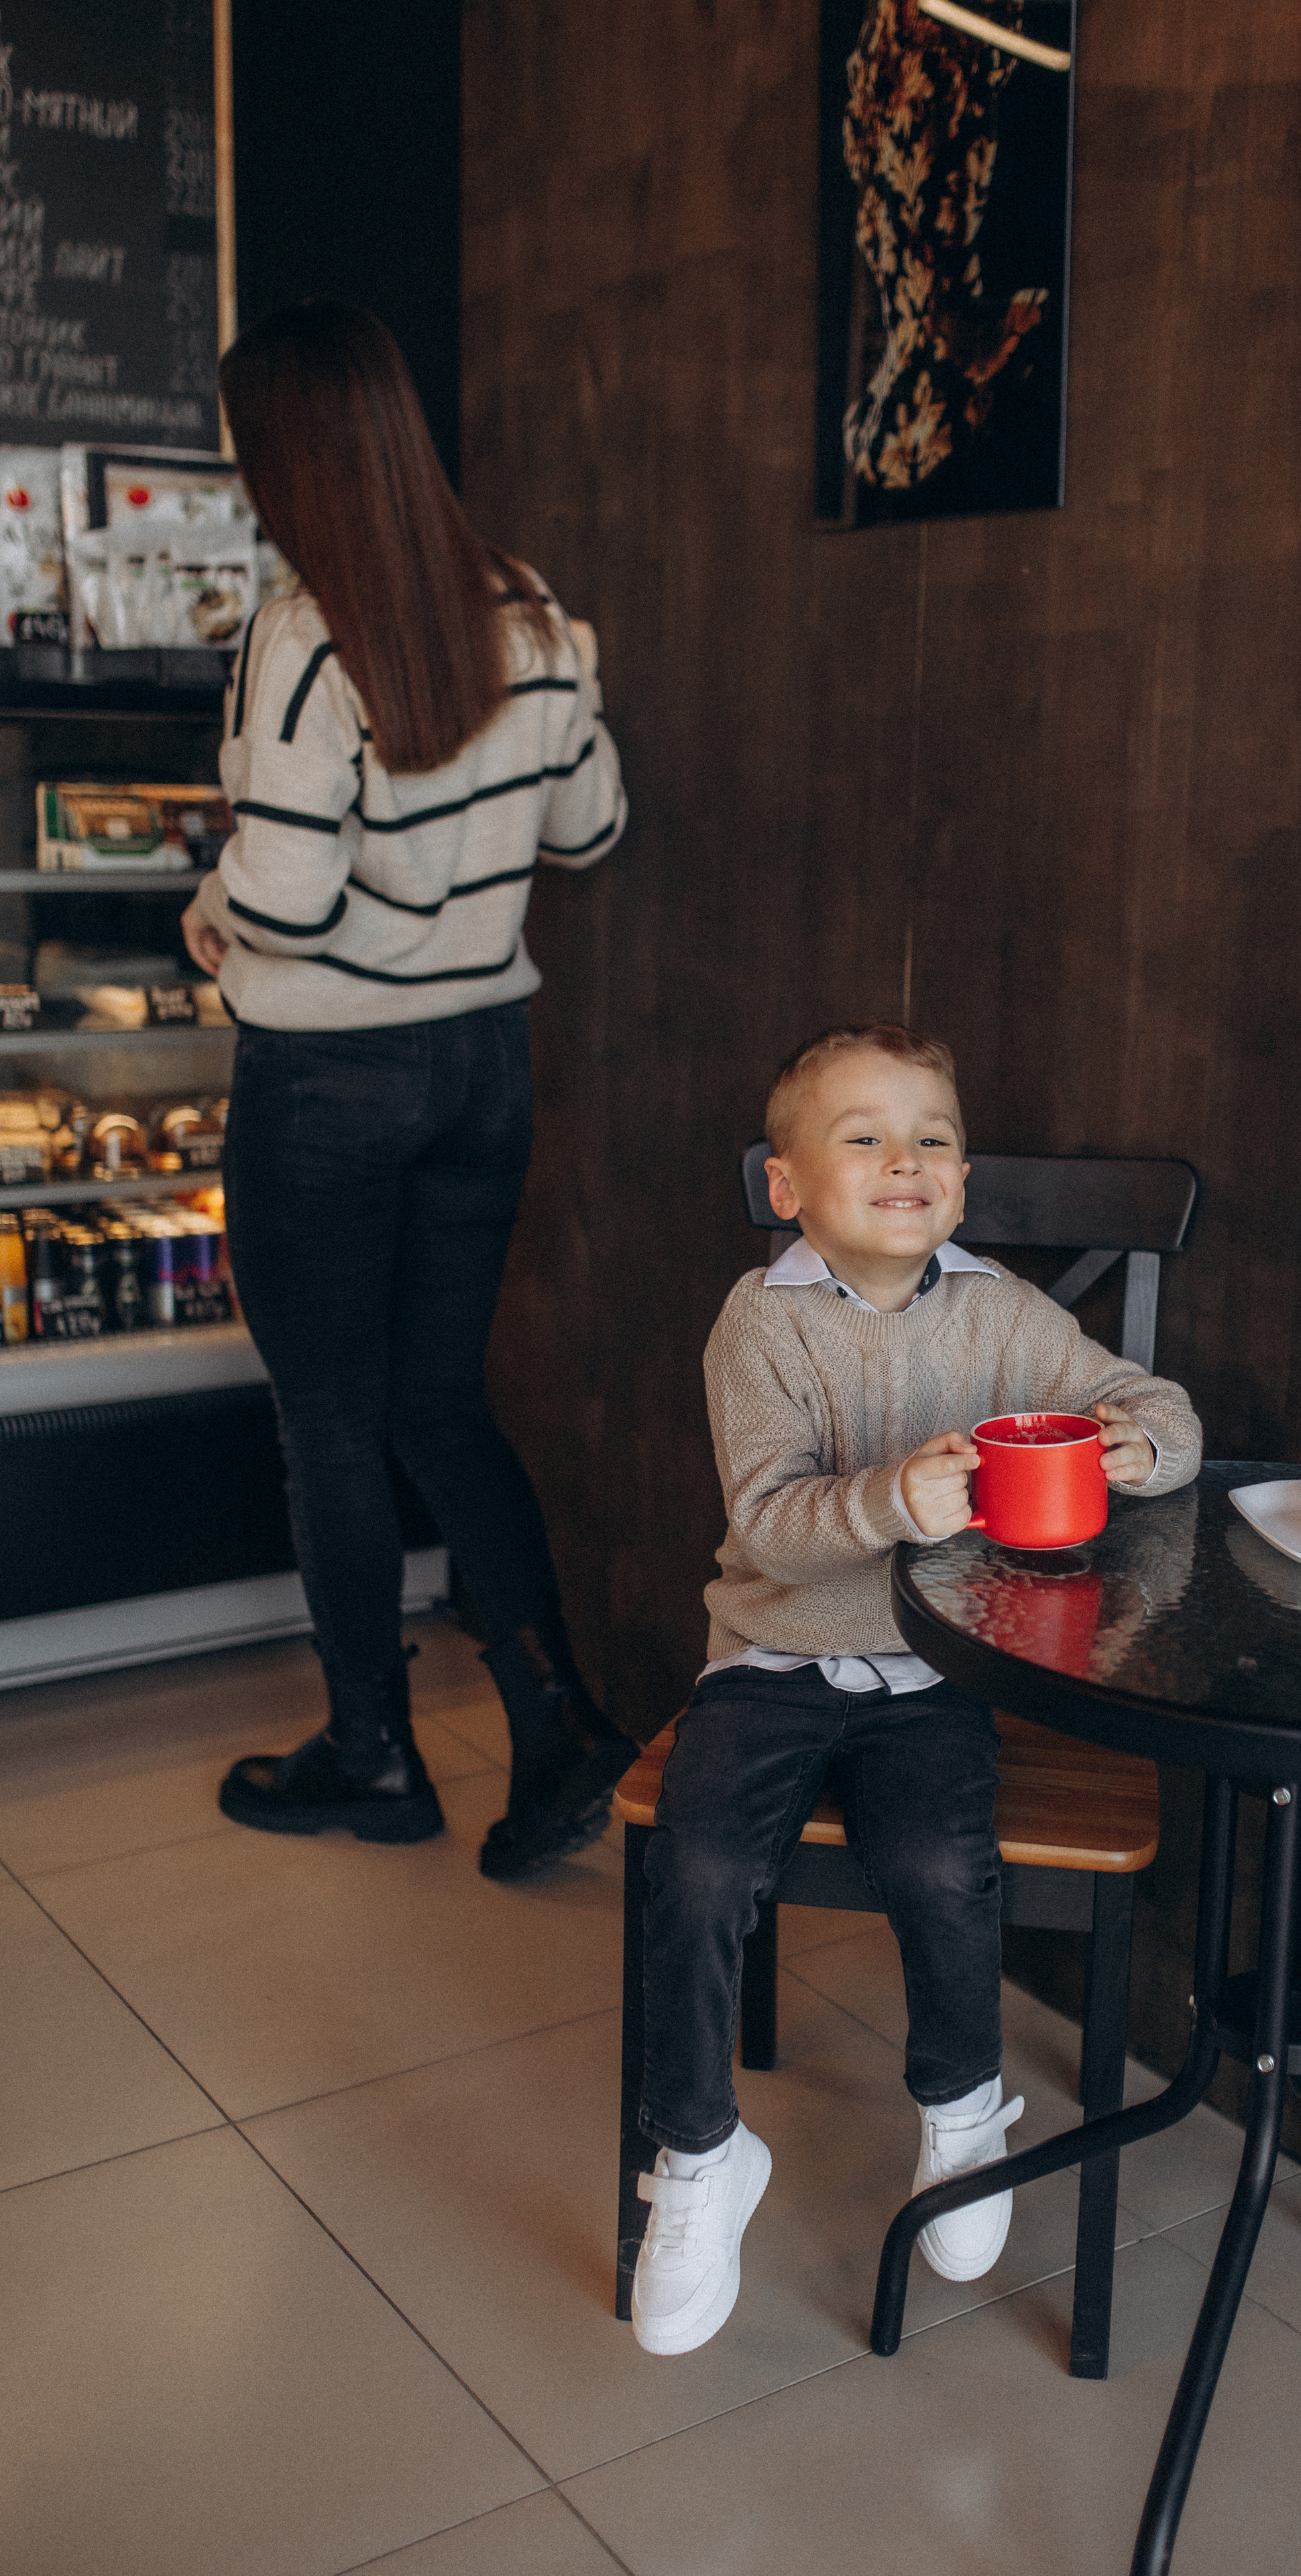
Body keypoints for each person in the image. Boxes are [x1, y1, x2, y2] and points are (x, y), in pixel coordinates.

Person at [629, 1022, 1202, 2356]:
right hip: (768, 1661)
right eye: (864, 1136)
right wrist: (894, 1497)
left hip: (933, 1672)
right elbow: (768, 1526)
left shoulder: (997, 1311)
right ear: (787, 1188)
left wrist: (1136, 1447)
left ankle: (961, 2102)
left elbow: (1159, 1406)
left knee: (937, 1859)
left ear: (959, 1179)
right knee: (700, 1865)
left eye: (933, 1137)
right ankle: (700, 2153)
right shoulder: (759, 1325)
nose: (906, 1160)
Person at [182, 301, 638, 1880]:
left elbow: (294, 908)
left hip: (326, 1080)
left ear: (285, 456)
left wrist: (218, 896)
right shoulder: (534, 617)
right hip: (477, 1072)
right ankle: (558, 1719)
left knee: (330, 1424)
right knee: (438, 1403)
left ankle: (374, 1754)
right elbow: (585, 832)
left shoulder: (310, 636)